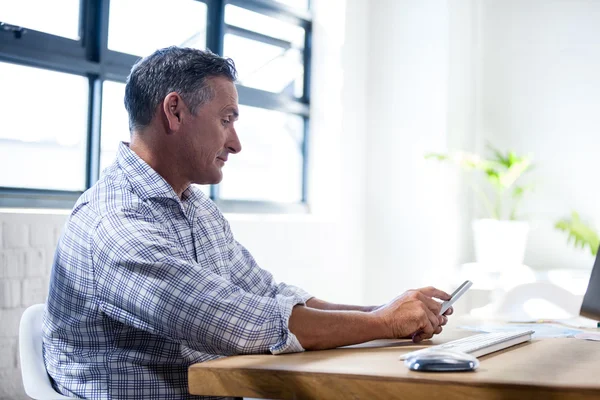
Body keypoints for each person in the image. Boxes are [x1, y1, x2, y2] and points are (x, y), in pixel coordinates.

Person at [42, 46, 452, 400]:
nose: (236, 143)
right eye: (226, 120)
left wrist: (385, 310)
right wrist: (384, 322)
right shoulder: (116, 224)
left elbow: (267, 294)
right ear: (174, 111)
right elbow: (241, 323)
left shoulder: (196, 207)